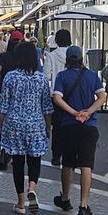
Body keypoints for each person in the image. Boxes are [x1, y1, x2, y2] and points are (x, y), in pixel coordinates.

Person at [0, 42, 53, 215]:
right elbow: (47, 106)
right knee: (35, 159)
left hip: (14, 124)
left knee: (18, 163)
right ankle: (32, 188)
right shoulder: (41, 79)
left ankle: (21, 202)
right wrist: (48, 127)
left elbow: (3, 106)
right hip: (36, 124)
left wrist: (0, 127)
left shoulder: (10, 77)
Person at [52, 45, 106, 215]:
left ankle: (66, 198)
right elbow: (102, 97)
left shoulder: (62, 76)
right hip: (89, 126)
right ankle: (83, 205)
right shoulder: (91, 76)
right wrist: (88, 112)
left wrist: (73, 112)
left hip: (68, 125)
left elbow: (57, 98)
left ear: (67, 59)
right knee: (86, 165)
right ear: (82, 59)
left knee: (67, 163)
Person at [43, 29, 72, 165]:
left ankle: (56, 155)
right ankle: (69, 153)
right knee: (71, 125)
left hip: (56, 96)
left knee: (57, 127)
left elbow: (46, 76)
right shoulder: (75, 54)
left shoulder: (52, 56)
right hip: (72, 95)